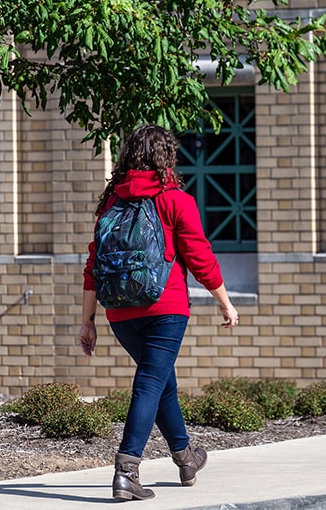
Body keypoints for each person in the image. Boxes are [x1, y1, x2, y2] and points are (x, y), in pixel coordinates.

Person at [79, 124, 239, 501]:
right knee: (151, 382)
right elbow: (200, 258)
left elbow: (92, 266)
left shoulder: (111, 203)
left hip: (119, 311)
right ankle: (126, 470)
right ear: (166, 157)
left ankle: (186, 457)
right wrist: (225, 302)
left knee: (160, 379)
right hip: (165, 308)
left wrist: (87, 321)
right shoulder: (175, 200)